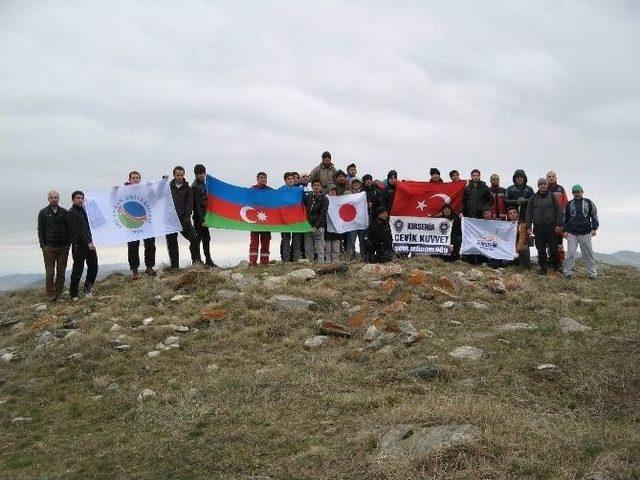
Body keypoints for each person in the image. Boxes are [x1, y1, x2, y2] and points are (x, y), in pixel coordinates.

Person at [525, 178, 563, 275]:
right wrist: (528, 227)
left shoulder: (552, 196)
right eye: (541, 184)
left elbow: (559, 211)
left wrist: (558, 224)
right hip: (538, 227)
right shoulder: (533, 198)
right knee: (540, 249)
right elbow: (528, 213)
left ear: (547, 185)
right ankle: (543, 268)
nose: (543, 186)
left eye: (544, 184)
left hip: (551, 226)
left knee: (553, 248)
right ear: (538, 186)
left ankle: (556, 266)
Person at [37, 190, 70, 300]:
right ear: (48, 199)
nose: (54, 199)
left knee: (61, 271)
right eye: (52, 197)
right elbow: (40, 229)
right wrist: (43, 245)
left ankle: (59, 292)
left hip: (63, 247)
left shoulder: (64, 212)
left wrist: (68, 244)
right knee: (50, 272)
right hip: (49, 247)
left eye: (56, 197)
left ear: (58, 198)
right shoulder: (43, 212)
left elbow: (69, 228)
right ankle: (50, 294)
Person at [166, 166, 200, 269]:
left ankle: (196, 263)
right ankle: (174, 267)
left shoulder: (188, 189)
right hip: (170, 221)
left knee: (194, 239)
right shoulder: (167, 188)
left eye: (181, 175)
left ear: (184, 175)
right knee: (172, 244)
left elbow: (189, 205)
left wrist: (186, 219)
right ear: (174, 175)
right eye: (178, 175)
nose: (180, 177)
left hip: (184, 221)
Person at [125, 171, 157, 279]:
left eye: (137, 178)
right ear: (129, 180)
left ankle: (149, 267)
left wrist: (151, 188)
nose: (135, 179)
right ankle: (134, 270)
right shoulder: (124, 191)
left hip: (146, 221)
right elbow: (113, 201)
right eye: (133, 178)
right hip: (131, 221)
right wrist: (114, 192)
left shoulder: (145, 190)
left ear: (140, 180)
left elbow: (154, 199)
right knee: (133, 246)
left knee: (150, 244)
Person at [563, 185, 599, 279]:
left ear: (582, 192)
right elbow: (565, 218)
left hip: (585, 232)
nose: (577, 193)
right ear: (572, 193)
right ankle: (567, 273)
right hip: (572, 233)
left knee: (588, 254)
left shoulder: (589, 202)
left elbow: (594, 215)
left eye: (578, 191)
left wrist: (594, 228)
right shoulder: (569, 204)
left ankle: (592, 274)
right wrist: (565, 230)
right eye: (575, 192)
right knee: (570, 253)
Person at [67, 191, 98, 300]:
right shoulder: (71, 213)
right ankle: (73, 294)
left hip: (90, 244)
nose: (80, 200)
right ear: (73, 200)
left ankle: (87, 290)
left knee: (94, 267)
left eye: (82, 198)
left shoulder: (85, 211)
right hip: (78, 245)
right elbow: (78, 231)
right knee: (78, 270)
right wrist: (88, 242)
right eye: (78, 198)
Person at [191, 164, 214, 267]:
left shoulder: (205, 184)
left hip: (206, 216)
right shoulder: (195, 186)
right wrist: (201, 220)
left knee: (207, 238)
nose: (201, 175)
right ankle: (197, 261)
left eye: (203, 173)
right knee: (197, 239)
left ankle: (208, 260)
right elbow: (196, 205)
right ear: (196, 174)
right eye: (199, 173)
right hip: (199, 218)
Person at [249, 172, 273, 266]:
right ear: (257, 179)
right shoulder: (252, 190)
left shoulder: (271, 191)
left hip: (267, 221)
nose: (263, 179)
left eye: (265, 177)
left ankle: (264, 263)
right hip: (255, 221)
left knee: (266, 242)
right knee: (254, 242)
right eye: (261, 177)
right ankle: (252, 262)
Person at [279, 172, 303, 262]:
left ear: (294, 180)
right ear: (285, 180)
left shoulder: (299, 190)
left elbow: (303, 203)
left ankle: (296, 260)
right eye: (288, 179)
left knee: (296, 241)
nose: (290, 180)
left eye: (292, 179)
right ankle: (286, 260)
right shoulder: (280, 190)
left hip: (296, 219)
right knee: (286, 241)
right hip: (284, 219)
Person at [546, 170, 569, 265]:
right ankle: (551, 260)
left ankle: (560, 261)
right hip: (547, 221)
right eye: (549, 176)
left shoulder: (560, 189)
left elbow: (565, 204)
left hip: (559, 221)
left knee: (559, 243)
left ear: (556, 178)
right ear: (546, 179)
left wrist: (564, 220)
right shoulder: (543, 189)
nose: (551, 178)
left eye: (553, 176)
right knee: (548, 243)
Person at [303, 180, 329, 262]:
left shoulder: (324, 199)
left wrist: (316, 226)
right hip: (308, 226)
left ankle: (321, 264)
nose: (316, 186)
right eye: (314, 185)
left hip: (319, 226)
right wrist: (306, 224)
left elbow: (322, 214)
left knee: (320, 247)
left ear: (321, 186)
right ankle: (309, 264)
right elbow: (305, 211)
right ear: (312, 186)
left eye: (318, 185)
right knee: (308, 247)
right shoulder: (308, 197)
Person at [344, 178, 367, 261]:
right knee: (351, 241)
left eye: (358, 183)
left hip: (361, 221)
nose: (356, 184)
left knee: (362, 241)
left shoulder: (364, 193)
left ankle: (363, 258)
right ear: (351, 184)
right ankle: (350, 259)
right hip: (352, 222)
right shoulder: (347, 193)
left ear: (360, 184)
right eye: (354, 183)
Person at [506, 205, 531, 270]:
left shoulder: (522, 225)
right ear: (508, 216)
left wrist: (516, 251)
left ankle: (523, 263)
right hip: (509, 249)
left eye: (514, 212)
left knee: (524, 247)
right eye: (510, 213)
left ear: (517, 214)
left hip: (518, 250)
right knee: (504, 262)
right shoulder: (506, 225)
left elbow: (521, 240)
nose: (512, 215)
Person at [324, 186, 342, 262]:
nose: (332, 192)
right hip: (327, 226)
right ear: (328, 191)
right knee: (327, 249)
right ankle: (327, 263)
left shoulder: (340, 201)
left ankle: (336, 263)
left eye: (334, 190)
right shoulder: (324, 199)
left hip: (337, 228)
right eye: (331, 190)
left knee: (336, 249)